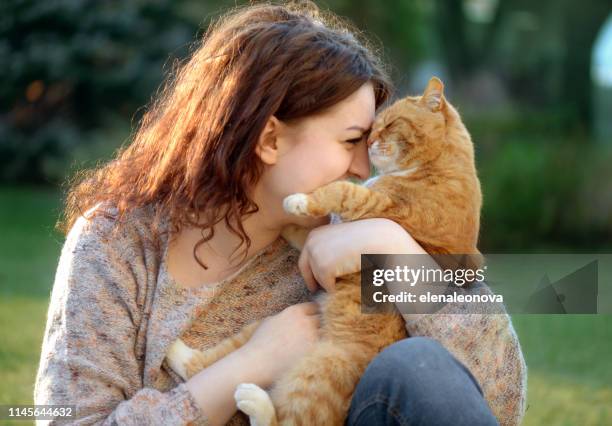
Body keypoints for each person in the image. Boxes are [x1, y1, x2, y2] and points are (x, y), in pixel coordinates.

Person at [34, 2, 527, 425]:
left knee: (416, 365)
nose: (362, 168)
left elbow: (495, 401)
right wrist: (250, 363)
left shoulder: (353, 239)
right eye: (352, 141)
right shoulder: (118, 241)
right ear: (270, 139)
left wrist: (397, 252)